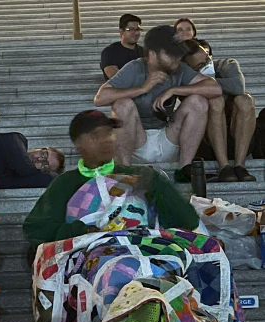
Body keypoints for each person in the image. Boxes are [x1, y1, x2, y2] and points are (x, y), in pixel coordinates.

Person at [22, 110, 200, 249]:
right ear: (78, 146)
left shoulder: (144, 175)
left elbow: (188, 221)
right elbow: (36, 230)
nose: (105, 140)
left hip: (147, 256)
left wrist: (158, 188)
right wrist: (82, 231)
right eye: (95, 136)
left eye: (108, 133)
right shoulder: (65, 184)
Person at [94, 25, 222, 181]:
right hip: (137, 141)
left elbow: (214, 88)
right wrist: (142, 88)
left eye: (178, 54)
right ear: (153, 55)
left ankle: (185, 170)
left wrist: (174, 90)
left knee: (198, 101)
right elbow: (100, 98)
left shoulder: (179, 69)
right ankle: (125, 172)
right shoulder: (135, 67)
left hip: (167, 137)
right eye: (171, 55)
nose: (177, 59)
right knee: (122, 104)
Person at [182, 40, 257, 181]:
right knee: (215, 100)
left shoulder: (226, 64)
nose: (206, 65)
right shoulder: (185, 76)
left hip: (237, 134)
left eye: (207, 59)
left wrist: (208, 82)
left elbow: (238, 87)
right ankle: (224, 167)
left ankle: (240, 166)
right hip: (208, 141)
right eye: (200, 65)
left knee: (245, 99)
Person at [100, 14, 143, 80]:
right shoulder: (110, 52)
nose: (136, 33)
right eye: (131, 29)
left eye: (138, 29)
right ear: (121, 31)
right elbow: (116, 79)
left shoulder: (144, 52)